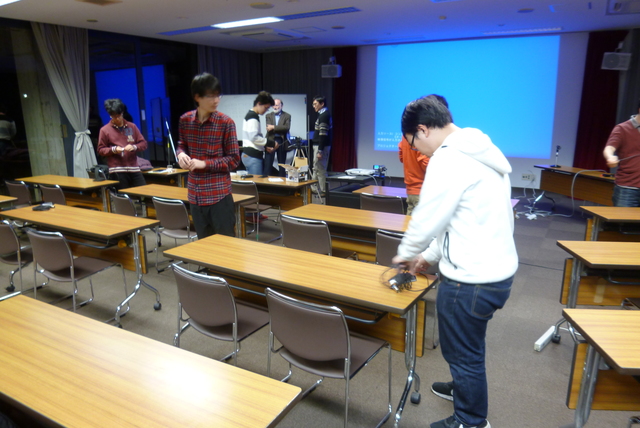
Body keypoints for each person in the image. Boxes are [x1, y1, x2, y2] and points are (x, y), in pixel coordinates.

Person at [392, 96, 517, 428]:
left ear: (422, 130)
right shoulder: (480, 150)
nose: (418, 151)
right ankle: (464, 388)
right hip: (495, 272)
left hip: (470, 280)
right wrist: (427, 256)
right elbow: (458, 221)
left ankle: (470, 420)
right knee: (468, 344)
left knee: (464, 353)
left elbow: (428, 216)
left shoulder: (448, 159)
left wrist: (406, 253)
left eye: (413, 143)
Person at [176, 73, 240, 238]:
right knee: (203, 245)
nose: (216, 100)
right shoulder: (185, 120)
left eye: (218, 95)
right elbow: (181, 144)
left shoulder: (226, 123)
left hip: (218, 196)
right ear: (197, 97)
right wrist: (181, 155)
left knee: (225, 245)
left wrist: (205, 164)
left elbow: (234, 159)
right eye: (211, 96)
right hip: (195, 195)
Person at [97, 99, 147, 189]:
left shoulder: (132, 126)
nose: (117, 119)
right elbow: (101, 150)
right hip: (117, 170)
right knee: (123, 195)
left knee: (144, 192)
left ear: (122, 113)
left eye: (119, 115)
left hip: (134, 168)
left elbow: (143, 144)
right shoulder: (104, 130)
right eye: (114, 116)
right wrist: (114, 149)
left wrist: (134, 147)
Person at [603, 99, 640, 207]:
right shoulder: (622, 128)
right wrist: (610, 157)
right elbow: (609, 148)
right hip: (628, 189)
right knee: (622, 218)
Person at [241, 91, 274, 175]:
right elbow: (254, 138)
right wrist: (272, 143)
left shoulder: (251, 115)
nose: (266, 110)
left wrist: (264, 146)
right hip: (253, 156)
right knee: (256, 182)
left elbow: (252, 138)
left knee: (252, 181)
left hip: (249, 155)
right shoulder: (253, 117)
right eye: (265, 107)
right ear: (259, 103)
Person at [311, 96, 332, 194]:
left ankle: (324, 190)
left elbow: (323, 135)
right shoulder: (322, 114)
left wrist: (320, 151)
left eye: (315, 104)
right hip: (319, 145)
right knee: (316, 168)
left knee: (321, 169)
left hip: (321, 146)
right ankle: (315, 189)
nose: (313, 106)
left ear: (322, 104)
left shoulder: (324, 116)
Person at [265, 98, 291, 177]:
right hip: (270, 140)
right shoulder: (268, 115)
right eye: (273, 105)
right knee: (268, 164)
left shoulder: (287, 116)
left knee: (282, 165)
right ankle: (266, 182)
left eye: (277, 105)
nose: (275, 107)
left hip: (281, 140)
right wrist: (279, 128)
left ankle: (282, 182)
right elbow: (268, 128)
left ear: (281, 106)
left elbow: (286, 128)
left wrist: (273, 127)